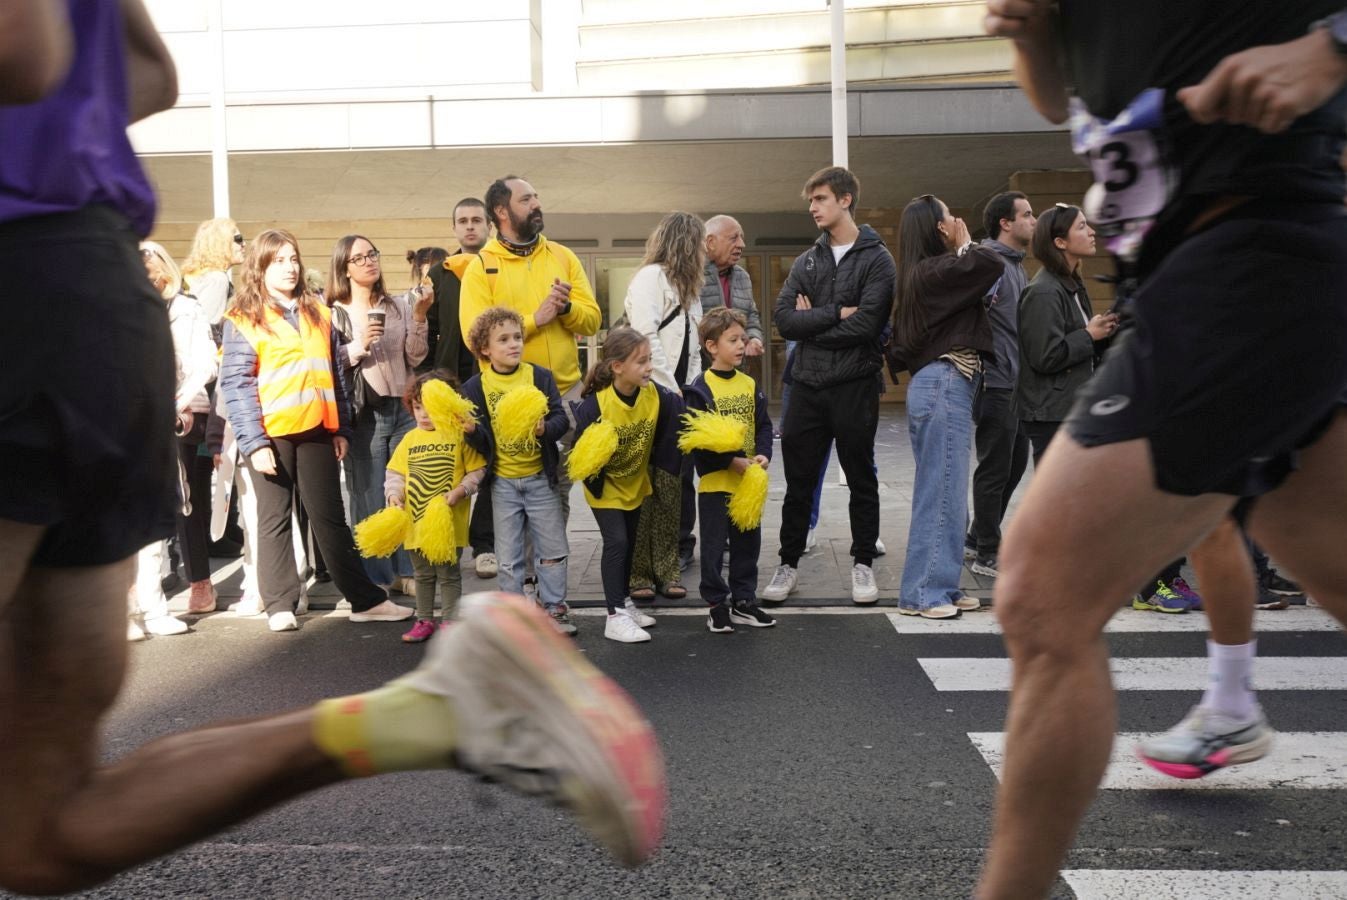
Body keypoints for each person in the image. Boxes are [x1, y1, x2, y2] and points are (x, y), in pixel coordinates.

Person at [1, 4, 665, 891]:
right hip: (89, 279)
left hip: (21, 282)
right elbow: (148, 72)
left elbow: (21, 47)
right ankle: (432, 712)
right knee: (42, 827)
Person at [977, 2, 1347, 897]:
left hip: (1253, 248)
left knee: (1039, 596)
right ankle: (1230, 702)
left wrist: (1328, 48)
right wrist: (1031, 33)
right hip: (1201, 265)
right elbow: (1058, 97)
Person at [220, 229, 414, 632]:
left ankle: (365, 600)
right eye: (278, 261)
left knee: (330, 519)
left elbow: (337, 378)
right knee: (274, 517)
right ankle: (279, 604)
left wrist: (340, 428)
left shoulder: (318, 313)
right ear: (260, 267)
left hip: (317, 429)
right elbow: (236, 384)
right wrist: (254, 442)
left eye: (293, 259)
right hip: (270, 434)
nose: (289, 267)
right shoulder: (243, 316)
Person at [762, 166, 896, 606]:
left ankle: (862, 564)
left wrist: (814, 320)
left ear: (845, 200)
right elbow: (784, 320)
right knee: (799, 480)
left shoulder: (878, 259)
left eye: (820, 199)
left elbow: (869, 325)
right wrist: (837, 313)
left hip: (855, 383)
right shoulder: (808, 260)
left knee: (861, 476)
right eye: (811, 201)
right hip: (807, 386)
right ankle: (788, 564)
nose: (813, 208)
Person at [458, 176, 603, 527]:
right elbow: (473, 334)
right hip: (509, 397)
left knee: (561, 485)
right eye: (526, 200)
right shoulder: (481, 266)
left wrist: (566, 309)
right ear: (501, 211)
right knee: (518, 488)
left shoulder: (562, 256)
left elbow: (593, 320)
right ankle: (522, 573)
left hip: (567, 393)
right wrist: (535, 320)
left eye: (536, 197)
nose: (537, 204)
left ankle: (551, 564)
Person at [887, 195, 1005, 619]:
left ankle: (942, 585)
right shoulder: (933, 271)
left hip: (944, 384)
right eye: (949, 216)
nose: (956, 219)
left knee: (949, 490)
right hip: (943, 382)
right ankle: (923, 594)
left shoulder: (932, 273)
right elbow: (991, 265)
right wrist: (966, 240)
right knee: (942, 491)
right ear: (937, 228)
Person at [459, 307, 575, 635]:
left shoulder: (539, 376)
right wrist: (470, 430)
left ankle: (555, 609)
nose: (514, 344)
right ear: (485, 349)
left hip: (541, 479)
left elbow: (561, 418)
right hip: (503, 485)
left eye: (517, 337)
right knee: (508, 557)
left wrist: (544, 430)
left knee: (552, 550)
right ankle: (513, 616)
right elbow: (483, 443)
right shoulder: (475, 387)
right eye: (504, 339)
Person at [328, 234, 432, 594]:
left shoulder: (397, 304)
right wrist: (359, 345)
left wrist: (419, 317)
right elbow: (329, 365)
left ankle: (407, 572)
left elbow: (416, 357)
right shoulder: (333, 312)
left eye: (372, 254)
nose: (370, 261)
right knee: (369, 494)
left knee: (405, 490)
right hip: (364, 414)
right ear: (344, 267)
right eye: (359, 258)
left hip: (402, 407)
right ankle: (376, 576)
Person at [572, 327, 683, 643]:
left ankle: (625, 602)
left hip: (636, 484)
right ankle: (614, 616)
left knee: (630, 545)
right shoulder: (597, 406)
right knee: (617, 543)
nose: (649, 367)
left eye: (649, 360)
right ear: (617, 367)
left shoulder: (655, 396)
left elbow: (676, 427)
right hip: (605, 487)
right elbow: (580, 454)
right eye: (641, 362)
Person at [622, 211, 705, 603]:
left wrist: (692, 393)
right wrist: (670, 391)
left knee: (675, 482)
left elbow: (693, 348)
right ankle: (640, 569)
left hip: (678, 397)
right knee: (646, 484)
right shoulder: (650, 279)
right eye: (700, 242)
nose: (705, 250)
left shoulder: (689, 288)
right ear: (686, 243)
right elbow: (646, 337)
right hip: (652, 396)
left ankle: (668, 563)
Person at [684, 308, 776, 634]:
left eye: (743, 338)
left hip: (747, 485)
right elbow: (697, 443)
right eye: (733, 339)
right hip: (715, 485)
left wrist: (763, 454)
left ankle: (744, 602)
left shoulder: (750, 384)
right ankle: (716, 605)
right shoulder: (700, 388)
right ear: (711, 346)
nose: (742, 344)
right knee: (712, 548)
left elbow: (763, 426)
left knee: (747, 544)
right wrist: (729, 463)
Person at [143, 239, 218, 615]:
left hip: (186, 416)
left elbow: (205, 364)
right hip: (143, 417)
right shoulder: (131, 311)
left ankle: (200, 583)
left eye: (151, 264)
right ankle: (149, 588)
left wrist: (176, 403)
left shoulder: (186, 308)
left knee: (188, 501)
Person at [384, 371, 486, 643]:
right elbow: (395, 475)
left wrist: (462, 491)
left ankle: (451, 621)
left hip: (447, 525)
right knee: (422, 574)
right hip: (415, 523)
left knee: (448, 575)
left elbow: (477, 471)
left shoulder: (457, 436)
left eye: (430, 408)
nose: (423, 415)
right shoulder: (409, 440)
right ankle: (424, 619)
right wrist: (394, 496)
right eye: (418, 408)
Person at [964, 191, 1036, 578]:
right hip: (995, 382)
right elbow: (973, 310)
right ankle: (988, 552)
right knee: (994, 469)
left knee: (1014, 465)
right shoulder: (990, 262)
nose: (1034, 221)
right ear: (1005, 223)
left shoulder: (1015, 265)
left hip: (1017, 383)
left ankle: (978, 536)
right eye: (1027, 214)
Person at [427, 197, 497, 578]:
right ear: (454, 228)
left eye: (476, 220)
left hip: (493, 378)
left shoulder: (499, 266)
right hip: (452, 382)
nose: (470, 227)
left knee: (489, 461)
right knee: (453, 463)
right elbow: (430, 328)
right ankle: (448, 541)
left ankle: (484, 545)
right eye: (462, 221)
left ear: (489, 225)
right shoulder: (441, 273)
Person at [1015, 204, 1118, 464]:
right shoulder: (1044, 292)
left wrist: (1103, 332)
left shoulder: (1072, 284)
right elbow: (1045, 356)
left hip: (1070, 408)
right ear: (1060, 242)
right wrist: (1089, 334)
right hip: (1052, 414)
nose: (1092, 232)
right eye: (1082, 227)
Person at [181, 217, 246, 336]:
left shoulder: (195, 274)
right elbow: (208, 331)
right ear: (221, 244)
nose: (244, 244)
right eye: (238, 239)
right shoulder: (217, 279)